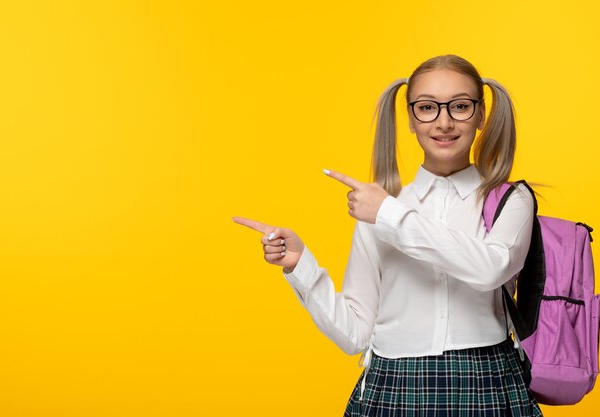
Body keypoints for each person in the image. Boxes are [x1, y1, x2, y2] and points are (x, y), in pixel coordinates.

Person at [233, 54, 543, 416]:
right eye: (427, 107)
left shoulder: (511, 198)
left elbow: (491, 268)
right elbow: (355, 335)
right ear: (411, 119)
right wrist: (301, 266)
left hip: (487, 380)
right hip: (395, 381)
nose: (444, 122)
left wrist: (389, 216)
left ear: (480, 115)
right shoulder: (380, 207)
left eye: (459, 106)